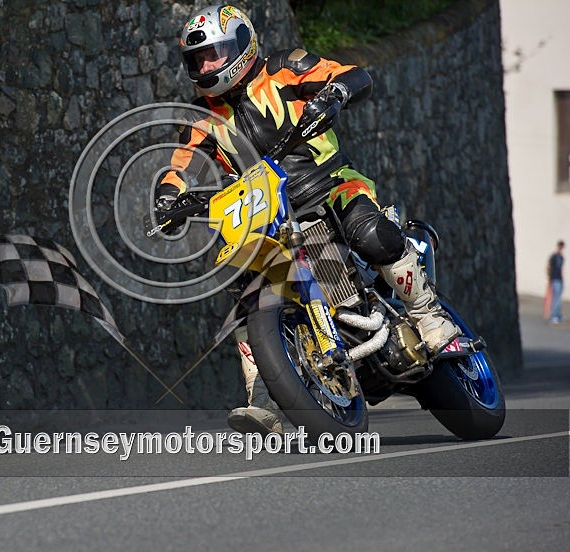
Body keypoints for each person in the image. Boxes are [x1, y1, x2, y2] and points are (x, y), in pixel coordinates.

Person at [154, 5, 460, 435]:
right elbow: (182, 162)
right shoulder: (202, 116)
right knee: (245, 288)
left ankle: (429, 315)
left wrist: (335, 94)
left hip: (330, 182)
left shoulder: (285, 68)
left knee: (369, 234)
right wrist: (169, 195)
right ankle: (264, 391)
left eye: (213, 54)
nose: (205, 66)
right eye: (197, 59)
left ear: (242, 45)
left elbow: (352, 74)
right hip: (269, 213)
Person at [548, 240, 564, 324]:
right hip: (554, 279)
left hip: (560, 279)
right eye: (560, 246)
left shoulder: (561, 257)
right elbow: (549, 267)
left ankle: (557, 315)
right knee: (555, 299)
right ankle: (553, 316)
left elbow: (560, 269)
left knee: (558, 298)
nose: (560, 248)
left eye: (562, 247)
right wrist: (550, 279)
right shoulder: (553, 256)